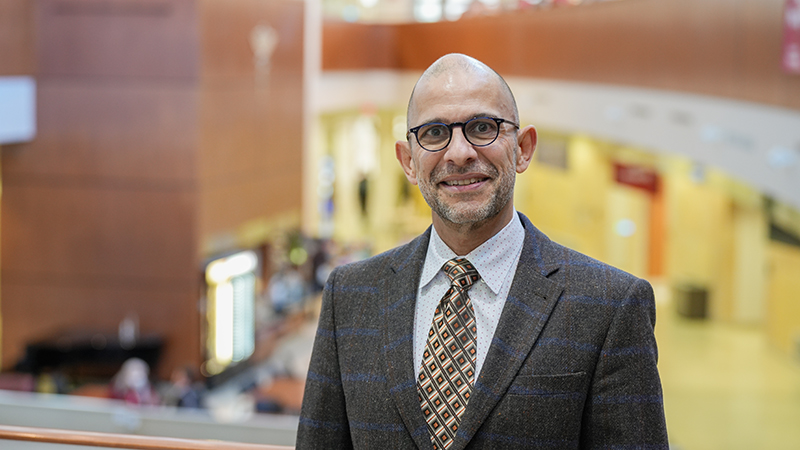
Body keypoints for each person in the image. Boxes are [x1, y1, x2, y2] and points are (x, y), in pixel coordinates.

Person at [297, 54, 668, 449]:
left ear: (523, 149)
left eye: (482, 127)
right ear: (408, 161)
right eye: (435, 133)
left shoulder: (609, 306)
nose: (459, 153)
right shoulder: (350, 295)